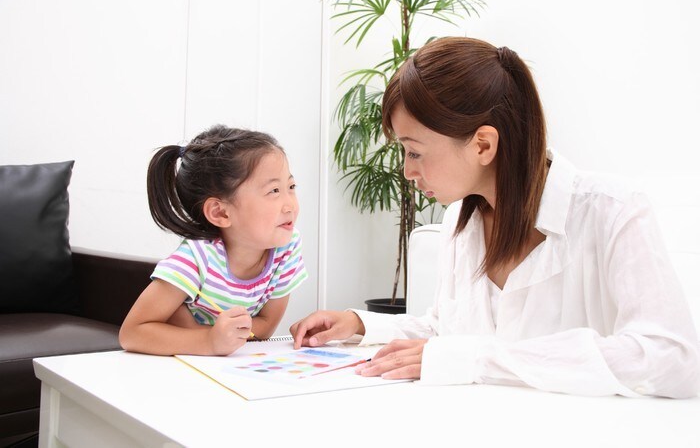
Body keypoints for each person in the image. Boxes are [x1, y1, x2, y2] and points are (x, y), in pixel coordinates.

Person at [290, 36, 700, 398]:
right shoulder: (459, 222)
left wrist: (478, 361)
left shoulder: (612, 210)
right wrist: (359, 325)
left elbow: (670, 359)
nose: (406, 170)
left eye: (413, 151)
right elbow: (450, 334)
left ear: (483, 145)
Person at [120, 125, 307, 356]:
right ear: (221, 213)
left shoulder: (286, 247)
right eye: (274, 191)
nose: (291, 205)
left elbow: (266, 326)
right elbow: (132, 333)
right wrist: (209, 340)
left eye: (291, 187)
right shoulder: (197, 257)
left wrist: (216, 334)